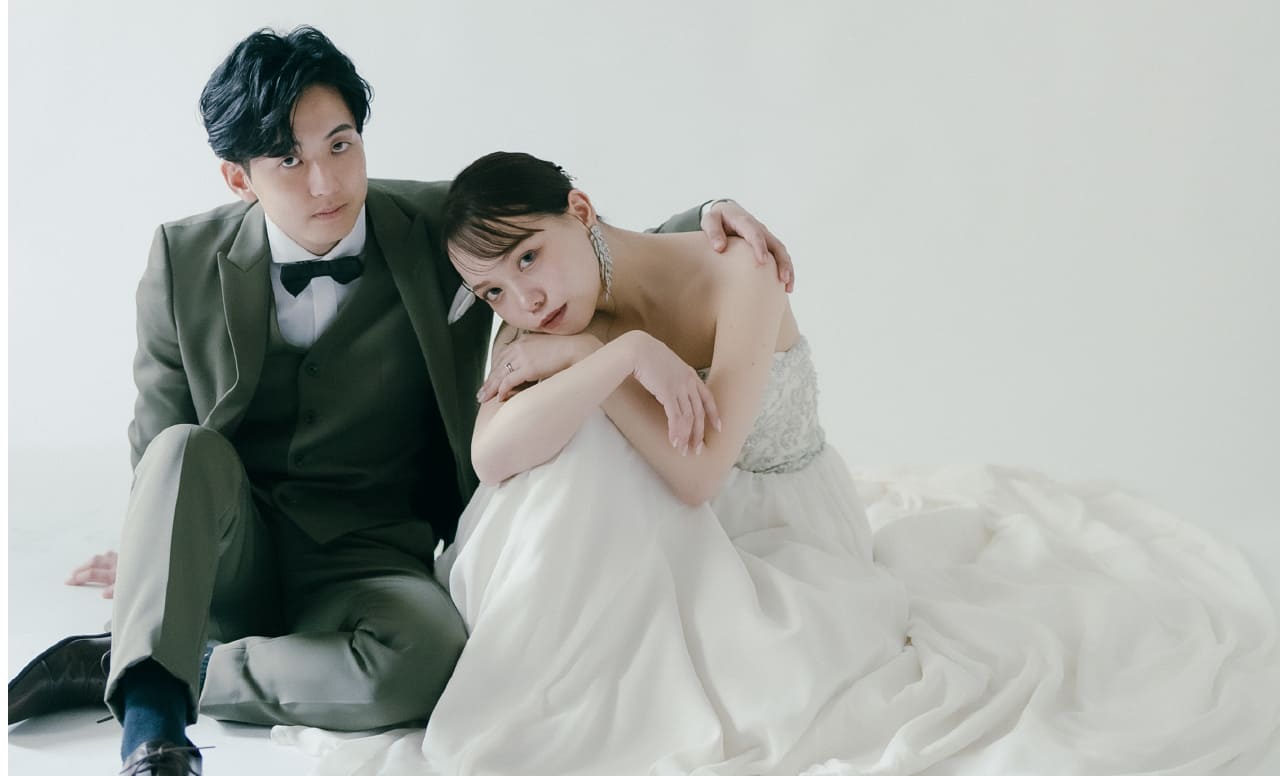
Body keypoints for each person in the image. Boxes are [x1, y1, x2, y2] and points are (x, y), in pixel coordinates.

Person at [278, 151, 1280, 775]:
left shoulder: (733, 272)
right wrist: (608, 358)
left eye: (529, 259)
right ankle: (547, 694)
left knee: (588, 442)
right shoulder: (549, 316)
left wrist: (598, 359)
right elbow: (492, 456)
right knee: (566, 456)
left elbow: (698, 476)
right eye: (494, 292)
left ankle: (572, 702)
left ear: (579, 208)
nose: (524, 302)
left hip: (777, 529)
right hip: (656, 531)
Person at [4, 28, 795, 776]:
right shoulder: (182, 257)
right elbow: (158, 436)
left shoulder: (432, 228)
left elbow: (567, 239)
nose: (327, 182)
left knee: (432, 665)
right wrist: (155, 553)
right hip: (236, 541)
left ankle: (151, 664)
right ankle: (151, 721)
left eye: (340, 145)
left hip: (371, 550)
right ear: (239, 179)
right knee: (182, 446)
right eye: (289, 160)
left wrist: (708, 221)